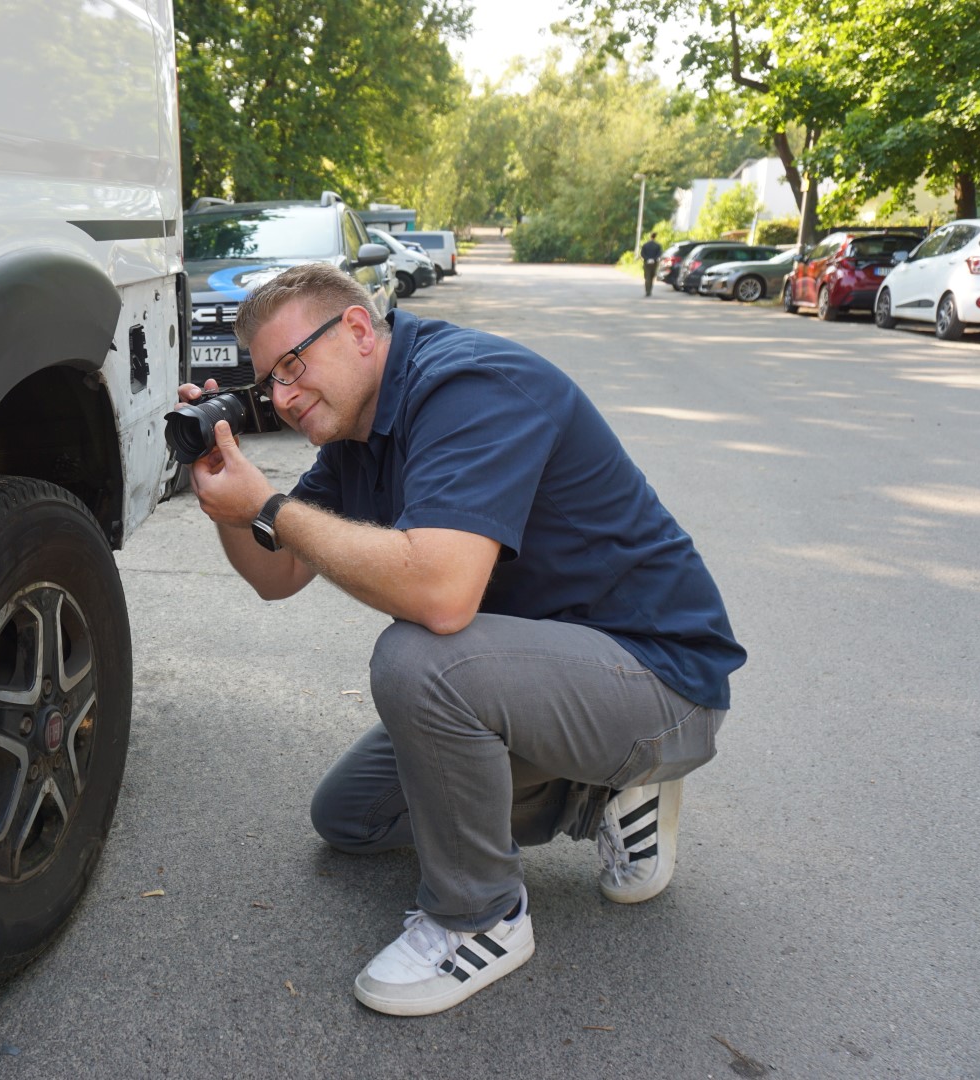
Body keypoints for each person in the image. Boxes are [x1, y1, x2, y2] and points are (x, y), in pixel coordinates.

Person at [181, 262, 745, 1017]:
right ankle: (601, 797)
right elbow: (276, 575)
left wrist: (272, 507)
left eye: (293, 364)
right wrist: (231, 500)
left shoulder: (471, 387)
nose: (281, 397)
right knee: (351, 818)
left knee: (420, 660)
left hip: (658, 680)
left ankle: (478, 920)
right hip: (546, 681)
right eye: (268, 382)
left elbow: (442, 598)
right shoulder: (356, 433)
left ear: (356, 329)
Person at [640, 231, 664, 296]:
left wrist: (647, 259)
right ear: (655, 237)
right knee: (652, 277)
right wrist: (654, 259)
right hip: (654, 263)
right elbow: (659, 254)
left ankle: (647, 291)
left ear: (650, 236)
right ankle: (649, 290)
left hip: (646, 263)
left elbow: (642, 254)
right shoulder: (658, 245)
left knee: (647, 277)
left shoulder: (645, 245)